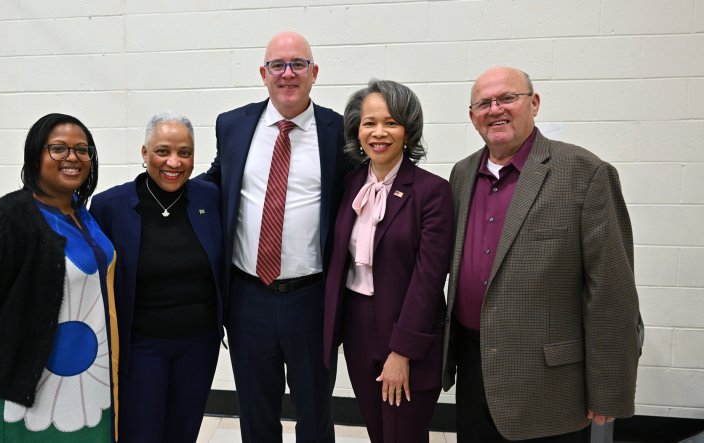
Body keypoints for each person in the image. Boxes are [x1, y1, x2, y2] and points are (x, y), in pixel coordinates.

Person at [443, 66, 642, 442]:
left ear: (533, 103)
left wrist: (608, 389)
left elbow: (611, 293)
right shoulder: (462, 174)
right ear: (472, 117)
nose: (495, 109)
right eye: (484, 103)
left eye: (507, 98)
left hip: (548, 381)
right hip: (474, 368)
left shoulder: (585, 173)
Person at [0, 113, 118, 442]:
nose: (72, 157)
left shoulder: (81, 213)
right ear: (35, 155)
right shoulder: (9, 218)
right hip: (25, 398)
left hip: (86, 389)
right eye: (58, 148)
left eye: (82, 150)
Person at [204, 31, 349, 443]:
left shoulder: (338, 131)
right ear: (263, 74)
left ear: (314, 72)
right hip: (248, 298)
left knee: (315, 411)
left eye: (298, 64)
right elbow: (214, 184)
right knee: (255, 411)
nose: (288, 74)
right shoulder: (233, 125)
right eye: (277, 66)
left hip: (311, 299)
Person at [323, 79, 453, 442]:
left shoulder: (432, 192)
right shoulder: (350, 184)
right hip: (358, 326)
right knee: (379, 433)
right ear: (357, 130)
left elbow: (428, 280)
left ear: (408, 131)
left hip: (407, 329)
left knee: (404, 436)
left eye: (391, 123)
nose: (379, 132)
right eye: (369, 123)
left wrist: (402, 351)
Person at [89, 112, 223, 443]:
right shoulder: (111, 206)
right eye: (163, 151)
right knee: (140, 432)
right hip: (140, 347)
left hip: (199, 345)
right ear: (144, 153)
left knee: (184, 430)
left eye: (185, 152)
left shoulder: (209, 198)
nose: (174, 162)